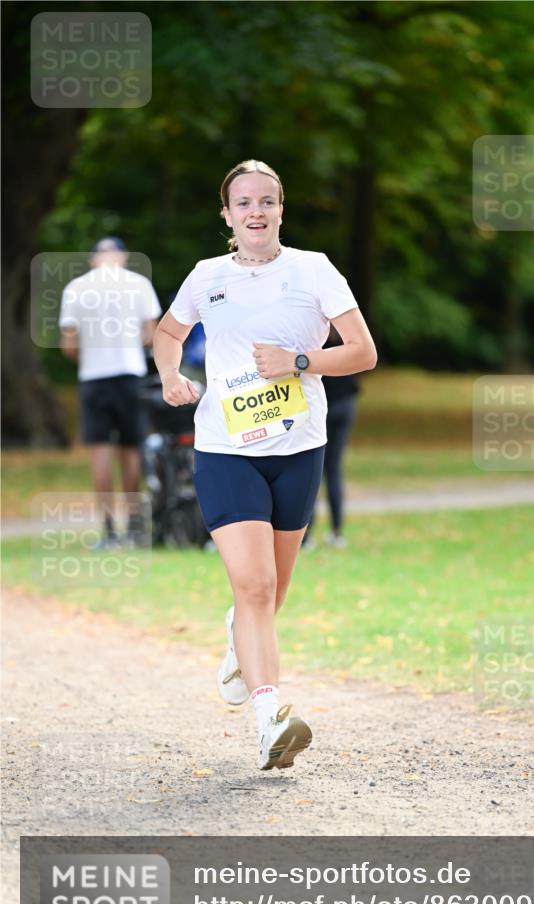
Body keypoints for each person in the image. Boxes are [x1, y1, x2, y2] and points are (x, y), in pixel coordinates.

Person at [152, 159, 377, 771]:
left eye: (268, 201)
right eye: (244, 202)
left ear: (282, 209)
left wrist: (300, 361)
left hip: (299, 448)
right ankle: (269, 720)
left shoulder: (313, 269)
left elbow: (362, 352)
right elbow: (168, 333)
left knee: (271, 593)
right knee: (252, 586)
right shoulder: (206, 276)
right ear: (227, 214)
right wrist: (171, 375)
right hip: (226, 448)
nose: (257, 211)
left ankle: (236, 643)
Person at [59, 237, 161, 546]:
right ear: (123, 256)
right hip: (130, 376)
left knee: (99, 454)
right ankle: (132, 528)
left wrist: (87, 356)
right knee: (131, 452)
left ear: (93, 260)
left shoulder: (76, 288)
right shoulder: (138, 284)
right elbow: (151, 335)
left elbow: (69, 344)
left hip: (93, 378)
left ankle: (108, 532)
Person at [302, 329, 360, 550]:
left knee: (313, 467)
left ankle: (306, 534)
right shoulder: (349, 338)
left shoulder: (312, 339)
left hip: (322, 406)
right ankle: (337, 531)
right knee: (334, 469)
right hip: (346, 405)